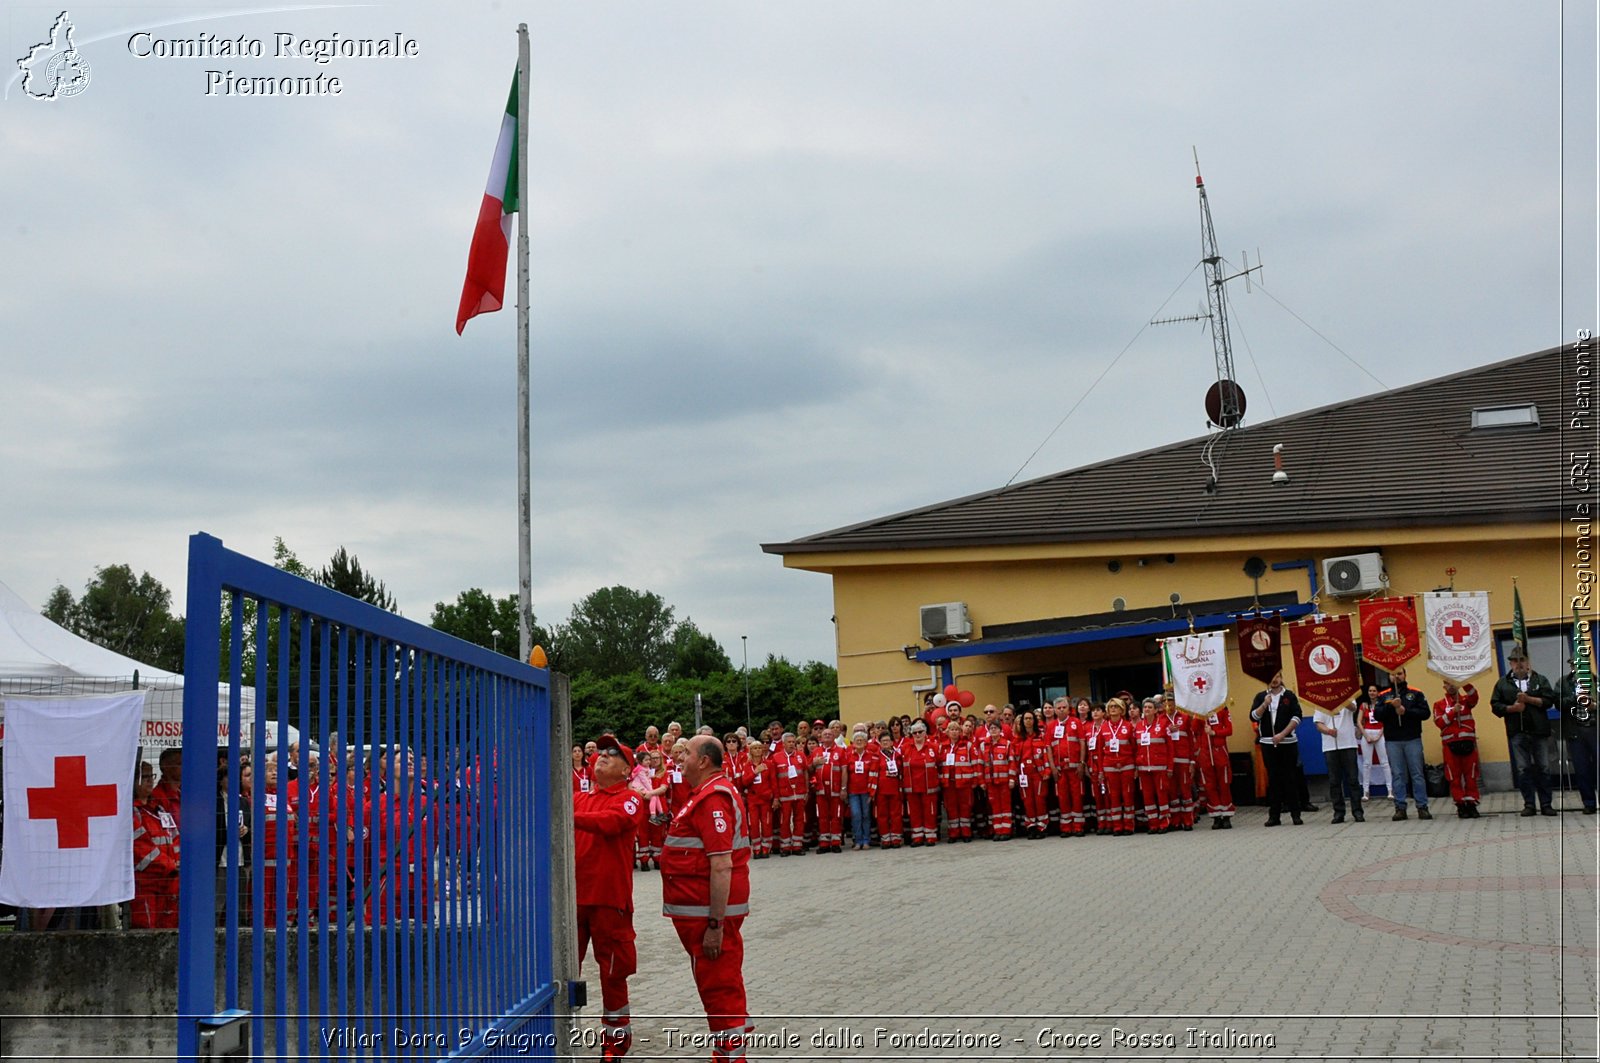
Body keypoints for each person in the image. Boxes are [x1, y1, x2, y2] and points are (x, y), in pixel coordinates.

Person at [660, 734, 752, 1063]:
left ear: (703, 761)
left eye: (685, 753)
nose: (678, 758)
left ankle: (731, 1056)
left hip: (710, 917)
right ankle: (727, 1050)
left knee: (719, 988)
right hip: (702, 915)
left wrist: (715, 924)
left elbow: (722, 864)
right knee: (721, 984)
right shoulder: (699, 794)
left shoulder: (713, 798)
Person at [574, 735, 648, 1061]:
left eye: (613, 754)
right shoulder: (578, 799)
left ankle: (615, 1044)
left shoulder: (631, 798)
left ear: (626, 771)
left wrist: (566, 815)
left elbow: (611, 823)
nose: (603, 755)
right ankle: (559, 1034)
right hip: (573, 901)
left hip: (609, 901)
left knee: (613, 974)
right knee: (563, 971)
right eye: (600, 751)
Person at [1491, 645, 1559, 817]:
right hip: (1517, 732)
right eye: (1515, 661)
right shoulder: (1502, 683)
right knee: (1523, 769)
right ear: (1511, 664)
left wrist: (1529, 699)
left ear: (1528, 662)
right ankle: (1529, 804)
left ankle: (1546, 804)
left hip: (1538, 731)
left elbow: (1549, 700)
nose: (1519, 664)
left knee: (1543, 767)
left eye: (1522, 660)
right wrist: (1512, 709)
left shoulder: (1539, 680)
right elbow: (1495, 706)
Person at [1373, 666, 1432, 821]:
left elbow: (1425, 713)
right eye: (1393, 674)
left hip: (1412, 739)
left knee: (1417, 774)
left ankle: (1422, 806)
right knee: (1397, 774)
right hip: (1393, 740)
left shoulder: (1416, 693)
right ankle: (1400, 807)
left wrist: (1405, 711)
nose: (1396, 677)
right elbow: (1377, 715)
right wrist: (1390, 707)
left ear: (1405, 675)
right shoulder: (1384, 695)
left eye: (1399, 674)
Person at [1249, 672, 1306, 826]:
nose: (1274, 680)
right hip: (1268, 743)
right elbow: (1253, 716)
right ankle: (1274, 816)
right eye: (1271, 677)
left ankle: (1295, 813)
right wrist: (1264, 705)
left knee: (1290, 778)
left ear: (1281, 678)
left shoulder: (1289, 696)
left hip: (1287, 742)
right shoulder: (1261, 697)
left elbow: (1297, 717)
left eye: (1277, 677)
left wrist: (1282, 734)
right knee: (1273, 780)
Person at [132, 760, 180, 928]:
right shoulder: (132, 813)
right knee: (146, 930)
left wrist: (177, 863)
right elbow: (141, 849)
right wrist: (171, 865)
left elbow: (175, 837)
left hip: (169, 884)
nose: (150, 781)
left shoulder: (159, 810)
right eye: (144, 777)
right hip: (146, 885)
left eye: (151, 776)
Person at [1433, 679, 1482, 818]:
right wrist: (1452, 712)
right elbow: (1440, 723)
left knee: (1471, 775)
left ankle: (1472, 804)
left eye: (1453, 683)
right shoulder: (1439, 704)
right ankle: (1460, 804)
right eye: (1448, 683)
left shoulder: (1466, 700)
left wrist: (1464, 682)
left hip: (1468, 743)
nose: (1451, 686)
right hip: (1450, 745)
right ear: (1444, 686)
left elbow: (1475, 696)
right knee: (1453, 777)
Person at [1313, 699, 1365, 823]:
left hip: (1348, 744)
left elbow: (1353, 708)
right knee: (1334, 781)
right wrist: (1328, 731)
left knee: (1353, 779)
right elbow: (1318, 724)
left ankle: (1357, 811)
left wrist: (1341, 699)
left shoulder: (1348, 695)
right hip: (1330, 746)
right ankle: (1338, 812)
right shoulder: (1320, 700)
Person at [1558, 667, 1599, 814]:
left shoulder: (1596, 681)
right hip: (1575, 730)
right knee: (1582, 770)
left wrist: (1594, 705)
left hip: (1594, 728)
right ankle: (1589, 803)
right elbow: (1558, 703)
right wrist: (1575, 698)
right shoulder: (1564, 683)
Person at [1356, 685, 1391, 801]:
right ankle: (1366, 792)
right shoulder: (1364, 705)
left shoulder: (1382, 704)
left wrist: (1379, 735)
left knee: (1384, 762)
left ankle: (1390, 790)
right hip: (1367, 735)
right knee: (1366, 764)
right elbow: (1359, 721)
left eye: (1374, 691)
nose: (1372, 693)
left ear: (1378, 693)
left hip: (1380, 734)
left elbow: (1386, 720)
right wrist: (1366, 735)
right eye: (1370, 691)